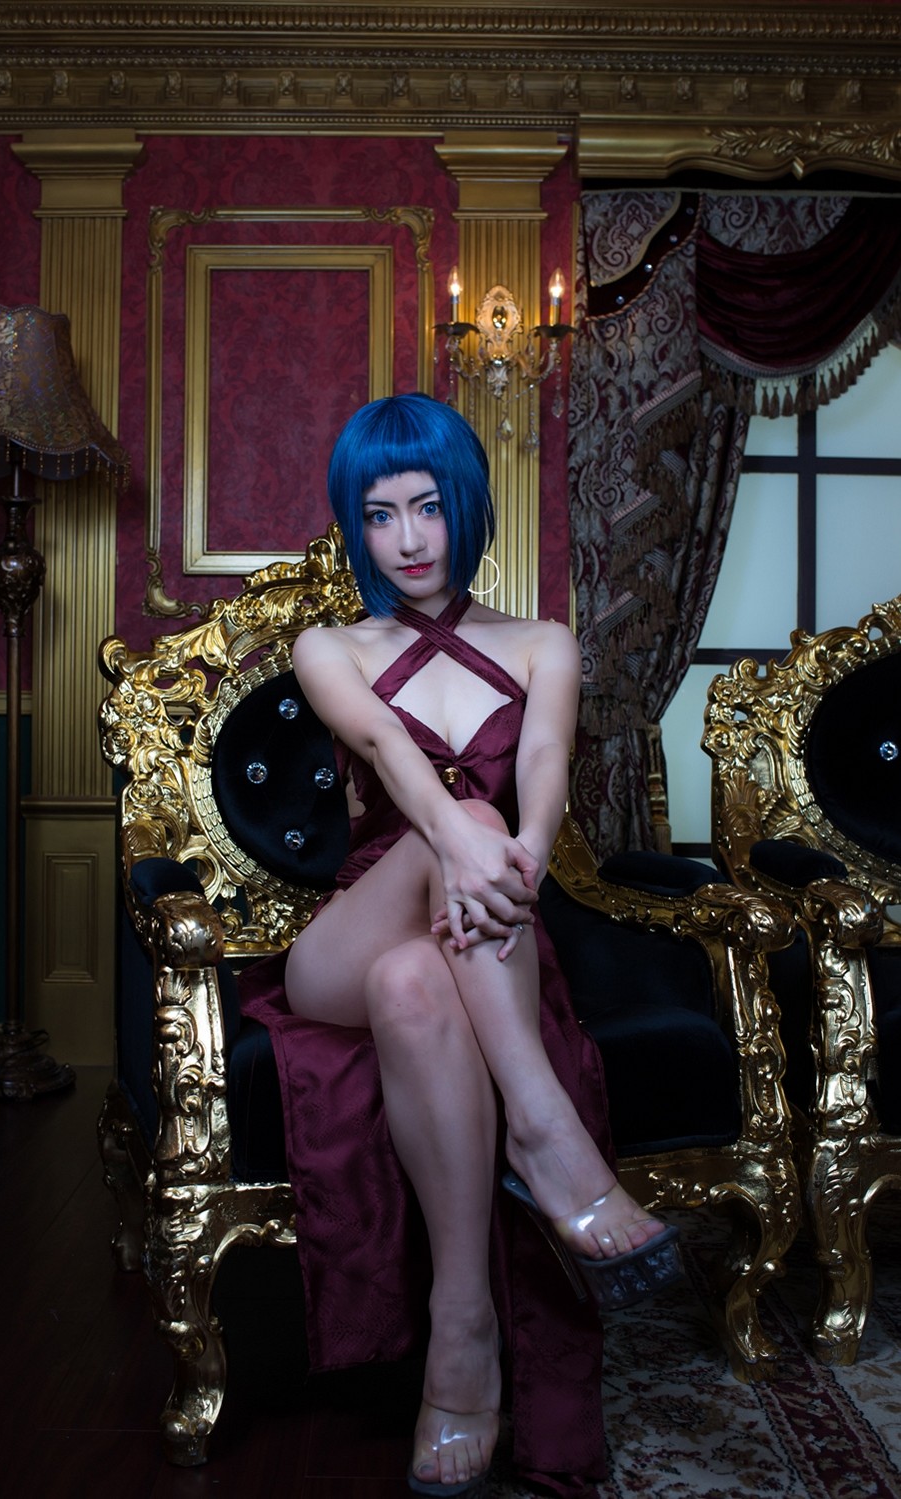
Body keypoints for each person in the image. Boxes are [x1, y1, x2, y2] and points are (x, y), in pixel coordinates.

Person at [239, 392, 679, 1498]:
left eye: (428, 506)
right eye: (379, 513)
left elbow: (546, 769)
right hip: (345, 939)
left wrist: (520, 855)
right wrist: (474, 836)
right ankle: (543, 1129)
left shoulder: (542, 641)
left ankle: (462, 1336)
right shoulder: (329, 645)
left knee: (415, 982)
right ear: (357, 525)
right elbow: (389, 751)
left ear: (467, 505)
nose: (408, 538)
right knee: (446, 848)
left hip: (477, 930)